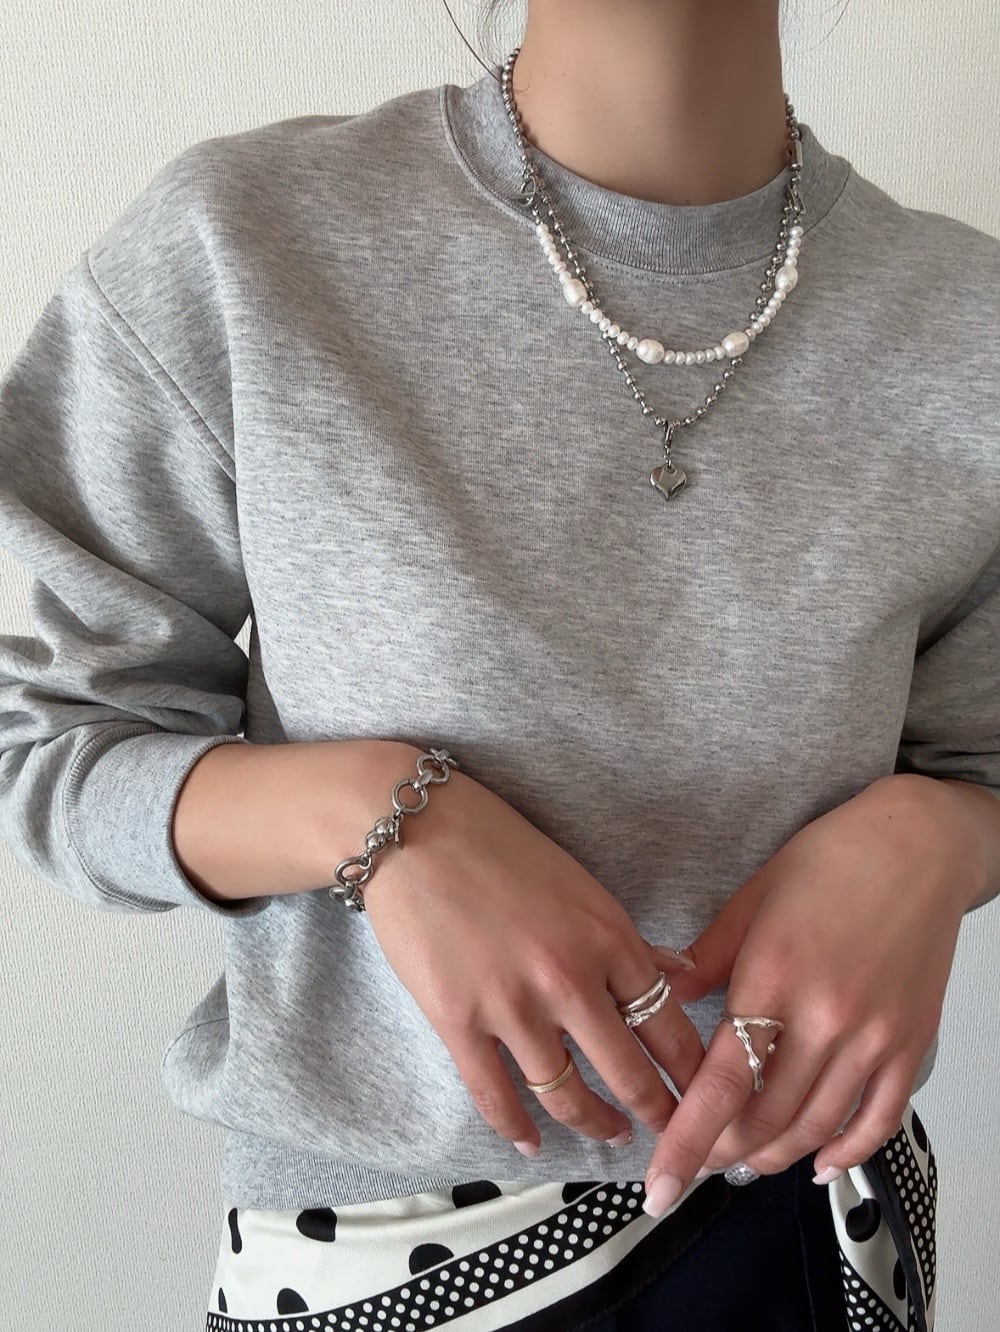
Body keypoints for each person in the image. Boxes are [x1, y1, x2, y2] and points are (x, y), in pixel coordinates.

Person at [1, 0, 998, 1327]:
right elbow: (54, 742)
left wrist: (938, 837)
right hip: (376, 1254)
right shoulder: (246, 247)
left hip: (820, 1232)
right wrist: (376, 821)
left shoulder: (972, 327)